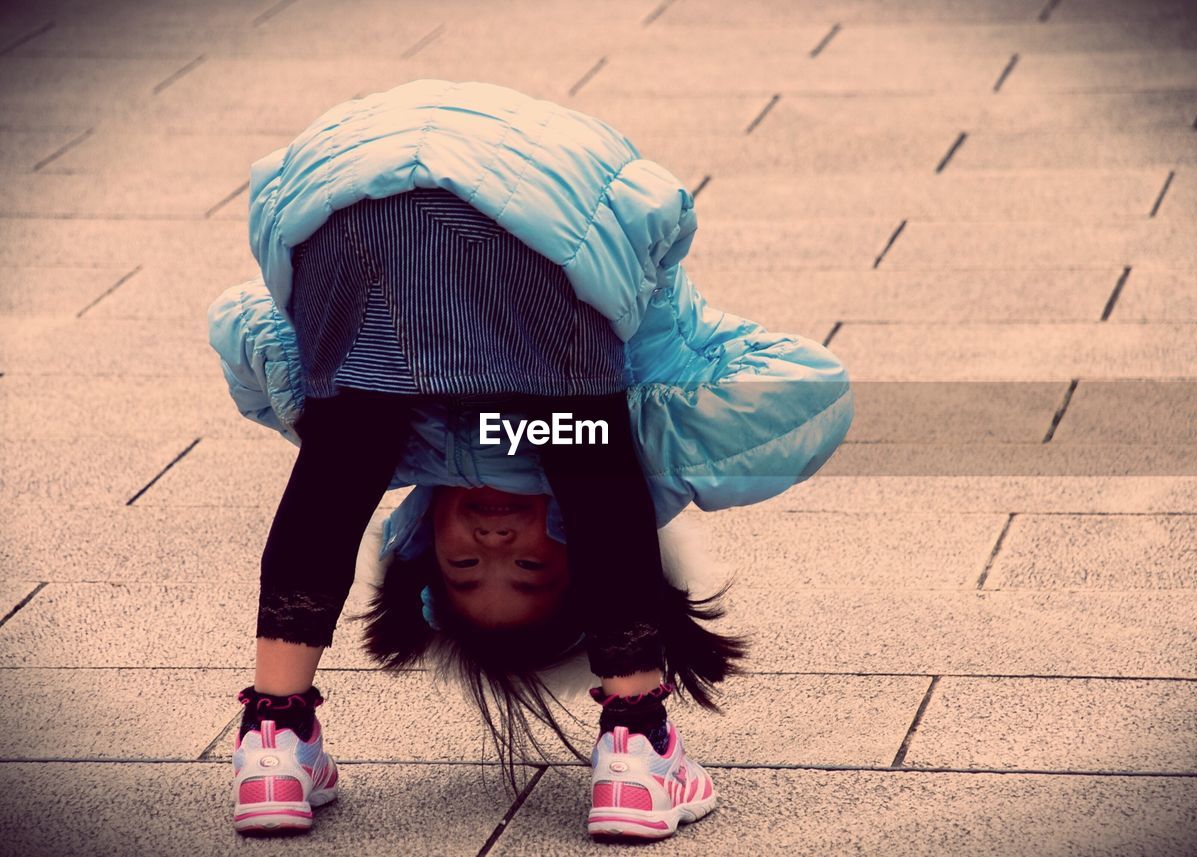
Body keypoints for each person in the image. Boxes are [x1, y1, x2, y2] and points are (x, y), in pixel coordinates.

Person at [207, 78, 853, 842]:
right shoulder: (552, 455)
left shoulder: (404, 446)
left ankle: (277, 734)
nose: (492, 547)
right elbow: (813, 388)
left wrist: (338, 403)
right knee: (580, 442)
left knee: (343, 438)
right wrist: (613, 444)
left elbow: (241, 323)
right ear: (581, 552)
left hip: (352, 195)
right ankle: (636, 740)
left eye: (465, 571)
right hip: (527, 217)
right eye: (531, 571)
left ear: (420, 544)